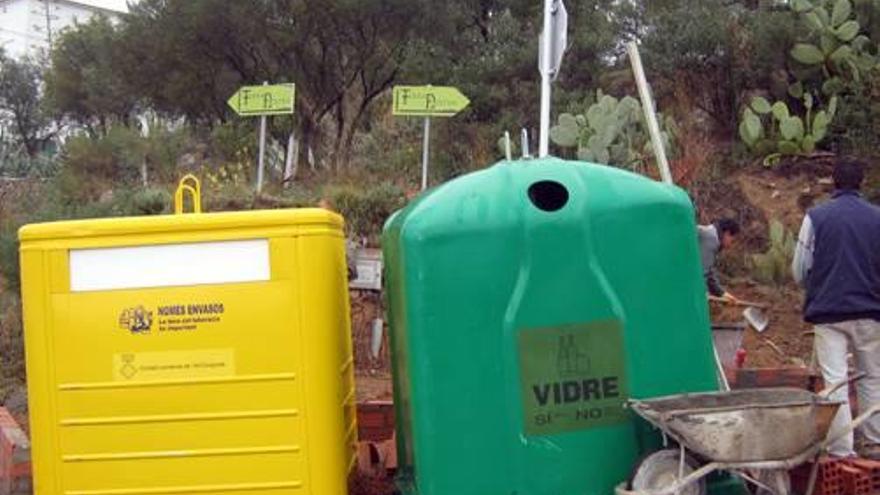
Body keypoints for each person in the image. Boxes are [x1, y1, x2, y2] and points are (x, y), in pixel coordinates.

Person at [792, 158, 880, 459]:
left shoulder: (816, 217)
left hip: (828, 313)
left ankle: (841, 448)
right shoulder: (877, 218)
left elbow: (800, 269)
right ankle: (874, 442)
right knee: (872, 377)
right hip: (870, 311)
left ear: (834, 182)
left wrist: (817, 288)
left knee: (835, 380)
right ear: (861, 183)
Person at [698, 218, 741, 302]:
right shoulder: (711, 238)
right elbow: (701, 271)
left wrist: (722, 293)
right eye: (732, 240)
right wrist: (703, 292)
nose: (730, 245)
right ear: (727, 233)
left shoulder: (712, 235)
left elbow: (709, 270)